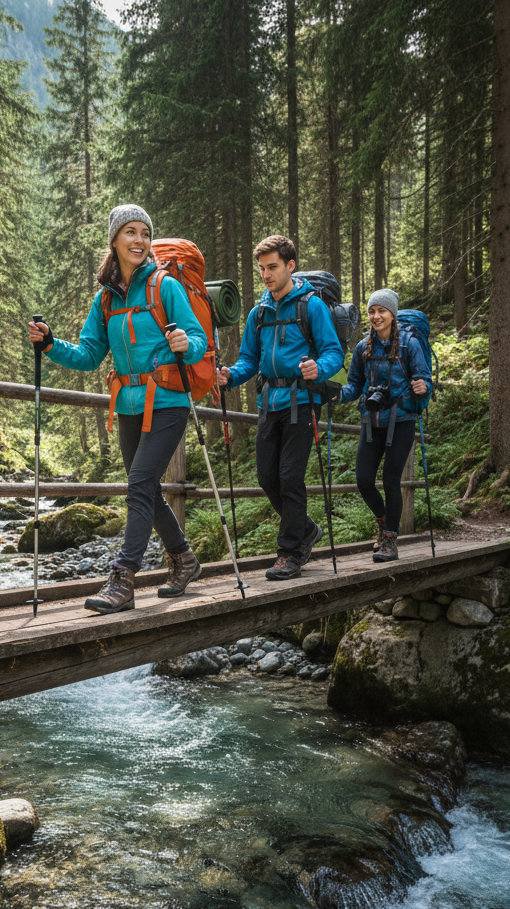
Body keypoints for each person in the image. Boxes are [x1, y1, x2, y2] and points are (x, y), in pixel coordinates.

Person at [28, 204, 208, 614]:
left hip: (167, 401)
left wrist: (187, 344)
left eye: (145, 233)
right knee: (146, 488)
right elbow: (90, 354)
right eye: (131, 232)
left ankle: (123, 579)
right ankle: (184, 559)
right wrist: (51, 344)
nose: (140, 240)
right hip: (128, 404)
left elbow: (197, 338)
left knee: (139, 485)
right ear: (114, 240)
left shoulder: (165, 286)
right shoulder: (106, 299)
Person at [215, 236, 344, 580]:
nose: (266, 275)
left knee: (289, 477)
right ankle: (306, 530)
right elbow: (248, 360)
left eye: (272, 267)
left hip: (302, 402)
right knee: (267, 477)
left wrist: (319, 368)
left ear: (290, 266)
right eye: (262, 269)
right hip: (268, 403)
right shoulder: (258, 313)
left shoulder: (311, 306)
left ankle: (290, 554)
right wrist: (229, 376)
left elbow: (333, 352)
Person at [338, 288, 431, 562]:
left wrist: (423, 386)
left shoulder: (409, 345)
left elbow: (425, 379)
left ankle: (390, 539)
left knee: (391, 480)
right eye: (372, 311)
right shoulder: (362, 348)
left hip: (401, 420)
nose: (376, 316)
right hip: (371, 420)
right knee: (364, 480)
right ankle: (382, 521)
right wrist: (337, 394)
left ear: (393, 313)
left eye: (382, 311)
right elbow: (354, 385)